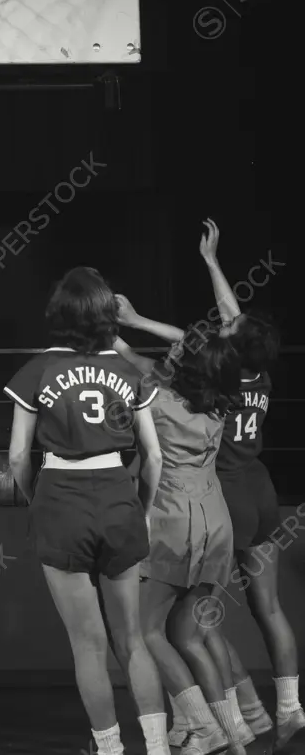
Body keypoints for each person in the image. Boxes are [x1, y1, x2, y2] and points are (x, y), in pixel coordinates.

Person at [118, 219, 304, 752]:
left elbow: (181, 349)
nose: (223, 325)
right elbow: (218, 330)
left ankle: (229, 720)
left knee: (190, 627)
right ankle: (285, 710)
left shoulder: (194, 389)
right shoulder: (252, 376)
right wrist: (212, 262)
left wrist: (126, 326)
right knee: (266, 610)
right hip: (260, 495)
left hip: (214, 503)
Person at [5, 266, 171, 755]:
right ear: (106, 314)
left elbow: (16, 455)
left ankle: (110, 748)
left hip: (60, 494)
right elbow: (154, 456)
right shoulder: (129, 371)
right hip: (118, 493)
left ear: (59, 313)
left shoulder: (36, 369)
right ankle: (158, 748)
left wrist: (37, 501)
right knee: (133, 640)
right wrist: (142, 510)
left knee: (88, 645)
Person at [114, 317, 250, 755]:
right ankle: (235, 737)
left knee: (146, 630)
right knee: (189, 637)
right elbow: (203, 348)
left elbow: (148, 369)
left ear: (186, 366)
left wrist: (115, 333)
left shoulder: (155, 400)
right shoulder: (221, 402)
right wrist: (126, 331)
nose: (172, 352)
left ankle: (202, 726)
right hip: (216, 523)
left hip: (174, 523)